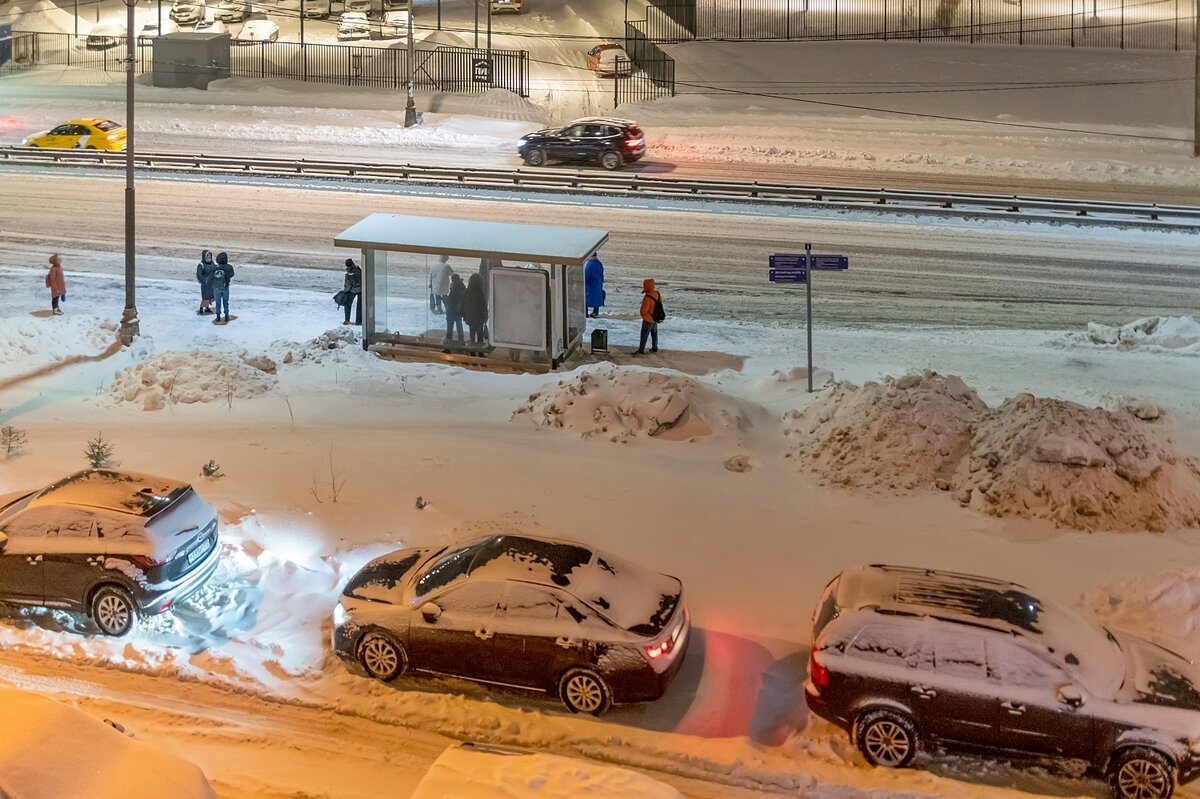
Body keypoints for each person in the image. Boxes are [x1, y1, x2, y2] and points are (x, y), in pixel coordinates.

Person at [633, 278, 662, 355]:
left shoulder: (647, 298)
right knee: (654, 334)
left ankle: (641, 350)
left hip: (648, 319)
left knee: (644, 335)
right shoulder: (657, 293)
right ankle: (655, 348)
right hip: (655, 318)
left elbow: (643, 310)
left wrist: (644, 316)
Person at [463, 272, 489, 349]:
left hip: (470, 318)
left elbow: (464, 305)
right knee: (480, 336)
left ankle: (472, 351)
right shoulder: (480, 293)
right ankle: (480, 352)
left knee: (472, 335)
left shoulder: (467, 292)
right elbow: (483, 306)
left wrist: (465, 316)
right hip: (479, 319)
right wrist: (485, 317)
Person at [211, 252, 235, 324]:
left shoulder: (215, 267)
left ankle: (218, 316)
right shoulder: (229, 267)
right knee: (226, 302)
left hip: (216, 287)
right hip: (225, 287)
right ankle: (226, 315)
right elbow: (232, 274)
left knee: (218, 303)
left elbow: (211, 276)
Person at [444, 273, 466, 343]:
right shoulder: (461, 286)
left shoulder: (455, 287)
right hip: (457, 311)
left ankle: (449, 340)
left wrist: (446, 300)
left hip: (453, 310)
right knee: (459, 325)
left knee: (450, 326)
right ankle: (461, 340)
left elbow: (453, 298)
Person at [341, 258, 362, 325]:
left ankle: (347, 320)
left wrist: (345, 291)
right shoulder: (358, 270)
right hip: (360, 289)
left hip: (352, 291)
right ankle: (358, 321)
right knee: (360, 306)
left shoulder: (349, 274)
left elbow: (348, 285)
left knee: (347, 304)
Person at [584, 253, 605, 318]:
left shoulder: (589, 264)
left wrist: (585, 281)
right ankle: (595, 312)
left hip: (590, 284)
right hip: (598, 282)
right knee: (597, 296)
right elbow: (602, 273)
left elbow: (587, 274)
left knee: (586, 298)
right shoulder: (599, 263)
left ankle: (586, 313)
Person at [196, 250, 215, 315]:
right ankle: (201, 308)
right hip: (205, 283)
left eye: (210, 255)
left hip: (211, 283)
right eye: (207, 255)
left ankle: (207, 307)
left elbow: (215, 270)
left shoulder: (212, 263)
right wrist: (203, 280)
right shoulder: (201, 264)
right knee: (205, 296)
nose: (209, 256)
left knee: (210, 296)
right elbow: (199, 274)